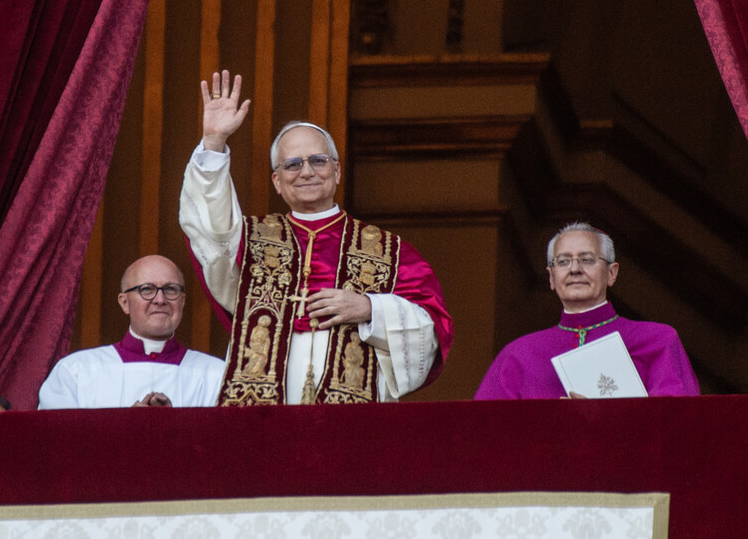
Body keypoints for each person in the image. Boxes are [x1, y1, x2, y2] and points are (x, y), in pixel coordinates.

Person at [179, 70, 453, 405]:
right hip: (259, 416)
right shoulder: (248, 242)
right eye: (292, 164)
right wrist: (214, 143)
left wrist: (370, 308)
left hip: (350, 425)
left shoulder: (390, 251)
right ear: (277, 181)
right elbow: (209, 230)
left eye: (318, 160)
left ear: (337, 171)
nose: (306, 171)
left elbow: (432, 329)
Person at [474, 222, 700, 399]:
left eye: (587, 259)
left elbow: (679, 423)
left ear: (612, 273)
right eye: (562, 262)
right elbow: (485, 431)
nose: (574, 269)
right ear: (551, 278)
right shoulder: (518, 355)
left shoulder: (658, 341)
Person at [38, 255, 225, 408]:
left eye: (170, 289)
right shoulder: (76, 372)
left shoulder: (218, 376)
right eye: (147, 289)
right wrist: (126, 426)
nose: (160, 299)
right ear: (124, 302)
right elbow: (57, 446)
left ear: (182, 301)